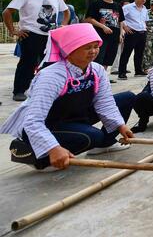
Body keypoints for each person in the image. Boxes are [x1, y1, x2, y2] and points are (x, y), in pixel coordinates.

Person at [1, 23, 135, 170]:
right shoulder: (51, 76)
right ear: (69, 50)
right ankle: (42, 158)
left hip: (75, 116)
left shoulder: (97, 70)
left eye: (96, 46)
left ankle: (104, 144)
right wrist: (52, 148)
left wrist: (120, 126)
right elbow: (33, 120)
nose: (93, 51)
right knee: (93, 136)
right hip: (49, 124)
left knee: (127, 98)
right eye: (87, 47)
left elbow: (105, 103)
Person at [3, 0, 69, 101]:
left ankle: (47, 89)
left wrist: (63, 26)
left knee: (51, 63)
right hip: (31, 34)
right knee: (28, 63)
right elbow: (7, 12)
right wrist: (13, 30)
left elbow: (66, 13)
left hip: (51, 35)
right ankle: (19, 90)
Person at [84, 0, 125, 79]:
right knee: (99, 57)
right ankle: (92, 77)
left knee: (109, 58)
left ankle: (102, 77)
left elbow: (120, 21)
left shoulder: (117, 5)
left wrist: (120, 33)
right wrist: (103, 27)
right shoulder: (96, 4)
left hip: (114, 35)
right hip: (99, 35)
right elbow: (89, 19)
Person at [118, 0, 149, 80]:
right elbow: (120, 17)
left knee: (139, 53)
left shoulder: (144, 8)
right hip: (132, 33)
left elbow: (145, 20)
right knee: (126, 53)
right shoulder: (128, 7)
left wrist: (145, 28)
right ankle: (122, 72)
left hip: (142, 32)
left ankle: (138, 70)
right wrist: (125, 27)